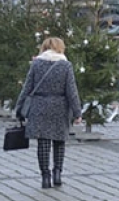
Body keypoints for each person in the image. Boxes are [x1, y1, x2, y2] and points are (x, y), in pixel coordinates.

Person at [14, 37, 83, 189]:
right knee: (59, 142)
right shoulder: (66, 65)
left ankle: (45, 177)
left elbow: (27, 88)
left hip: (39, 106)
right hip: (60, 107)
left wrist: (19, 109)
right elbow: (72, 91)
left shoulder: (36, 64)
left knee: (43, 143)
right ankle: (57, 173)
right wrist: (77, 112)